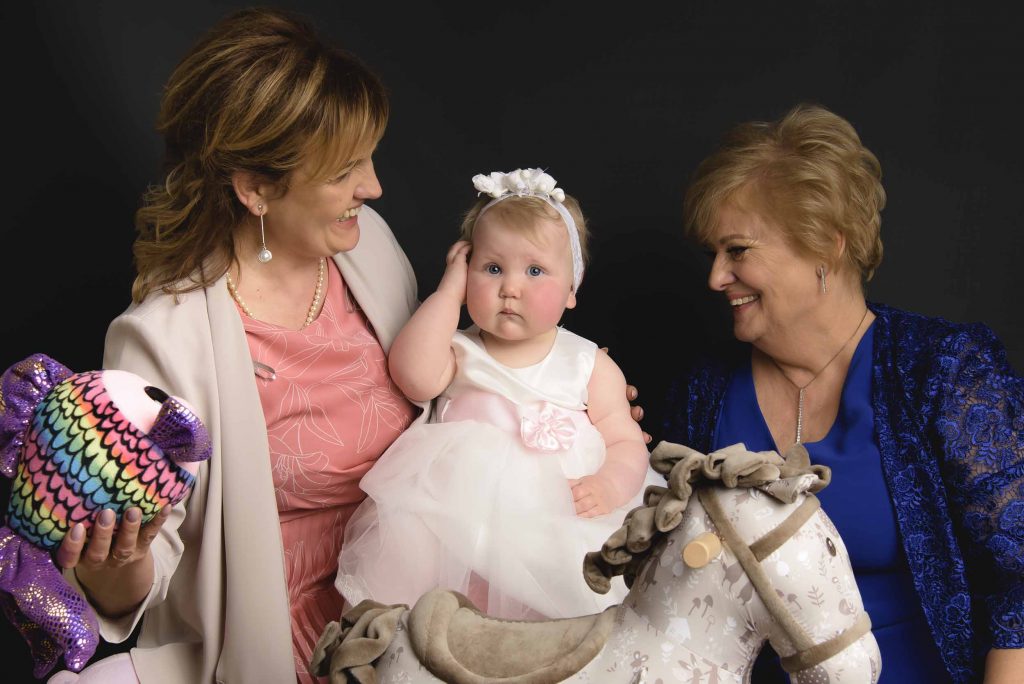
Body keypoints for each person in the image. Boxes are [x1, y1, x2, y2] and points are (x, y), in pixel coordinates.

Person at [42, 11, 647, 683]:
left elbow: (449, 382)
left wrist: (575, 414)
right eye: (343, 172)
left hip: (430, 593)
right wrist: (116, 565)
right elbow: (145, 571)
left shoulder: (368, 251)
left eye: (369, 158)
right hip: (285, 628)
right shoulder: (163, 338)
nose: (374, 186)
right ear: (256, 188)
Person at [664, 103, 1023, 683]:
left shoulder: (943, 368)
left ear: (827, 245)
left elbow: (1020, 580)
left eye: (737, 251)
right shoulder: (703, 389)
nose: (715, 278)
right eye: (713, 255)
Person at [336, 169, 653, 620]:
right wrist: (449, 292)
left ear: (571, 291)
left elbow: (626, 440)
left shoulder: (588, 364)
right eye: (492, 268)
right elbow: (412, 376)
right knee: (438, 617)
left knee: (557, 617)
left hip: (554, 527)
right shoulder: (459, 349)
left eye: (535, 270)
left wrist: (609, 484)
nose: (510, 287)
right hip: (457, 525)